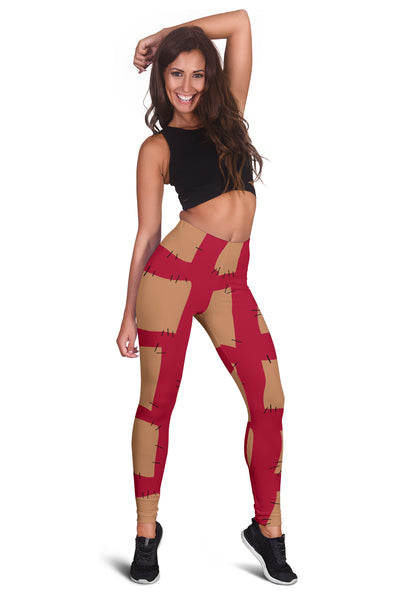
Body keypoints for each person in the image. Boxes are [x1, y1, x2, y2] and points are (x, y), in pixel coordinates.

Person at [116, 9, 298, 586]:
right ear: (161, 78)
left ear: (211, 78)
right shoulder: (157, 147)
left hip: (229, 283)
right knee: (157, 406)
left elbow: (240, 22)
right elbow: (147, 235)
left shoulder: (230, 119)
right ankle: (146, 532)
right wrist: (127, 313)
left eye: (197, 74)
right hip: (171, 280)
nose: (187, 86)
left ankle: (268, 529)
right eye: (176, 73)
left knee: (270, 403)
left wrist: (162, 35)